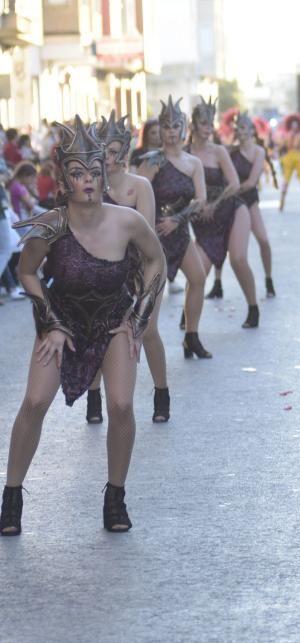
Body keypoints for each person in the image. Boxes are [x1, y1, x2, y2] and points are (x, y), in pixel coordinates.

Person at [1, 116, 166, 536]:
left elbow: (155, 261)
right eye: (79, 173)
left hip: (113, 317)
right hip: (63, 319)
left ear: (103, 175)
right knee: (36, 402)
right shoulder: (50, 226)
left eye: (94, 172)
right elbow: (27, 273)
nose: (88, 181)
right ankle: (11, 496)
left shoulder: (126, 221)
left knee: (122, 405)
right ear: (64, 178)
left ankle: (115, 495)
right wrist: (50, 323)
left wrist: (137, 317)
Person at [86, 111, 171, 424]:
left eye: (113, 150)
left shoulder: (140, 185)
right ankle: (93, 397)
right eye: (102, 150)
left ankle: (161, 392)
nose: (107, 157)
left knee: (147, 329)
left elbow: (146, 234)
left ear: (124, 150)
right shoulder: (91, 185)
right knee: (96, 330)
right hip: (106, 269)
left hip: (144, 267)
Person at [137, 96, 212, 360]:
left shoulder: (194, 163)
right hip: (154, 234)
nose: (170, 131)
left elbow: (201, 200)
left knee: (199, 278)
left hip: (179, 231)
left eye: (174, 125)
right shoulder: (153, 160)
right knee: (149, 295)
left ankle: (191, 337)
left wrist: (178, 220)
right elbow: (138, 195)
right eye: (165, 126)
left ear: (183, 128)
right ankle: (139, 341)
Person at [187, 98, 259, 329]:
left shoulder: (218, 151)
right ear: (194, 125)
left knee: (238, 258)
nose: (208, 128)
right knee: (198, 271)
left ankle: (253, 308)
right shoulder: (185, 154)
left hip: (232, 209)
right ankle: (189, 323)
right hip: (204, 222)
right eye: (204, 123)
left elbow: (235, 184)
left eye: (211, 124)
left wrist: (214, 203)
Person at [226, 111, 276, 298]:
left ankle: (269, 278)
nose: (241, 131)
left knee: (263, 239)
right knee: (225, 243)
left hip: (249, 199)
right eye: (238, 128)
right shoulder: (230, 152)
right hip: (232, 202)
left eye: (245, 128)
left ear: (252, 130)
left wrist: (229, 190)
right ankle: (216, 281)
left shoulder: (259, 151)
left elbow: (252, 181)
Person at [278, 115, 300, 212]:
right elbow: (282, 145)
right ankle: (281, 203)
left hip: (299, 158)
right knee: (286, 181)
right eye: (293, 125)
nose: (294, 127)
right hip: (290, 158)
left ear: (298, 126)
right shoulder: (288, 135)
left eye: (296, 125)